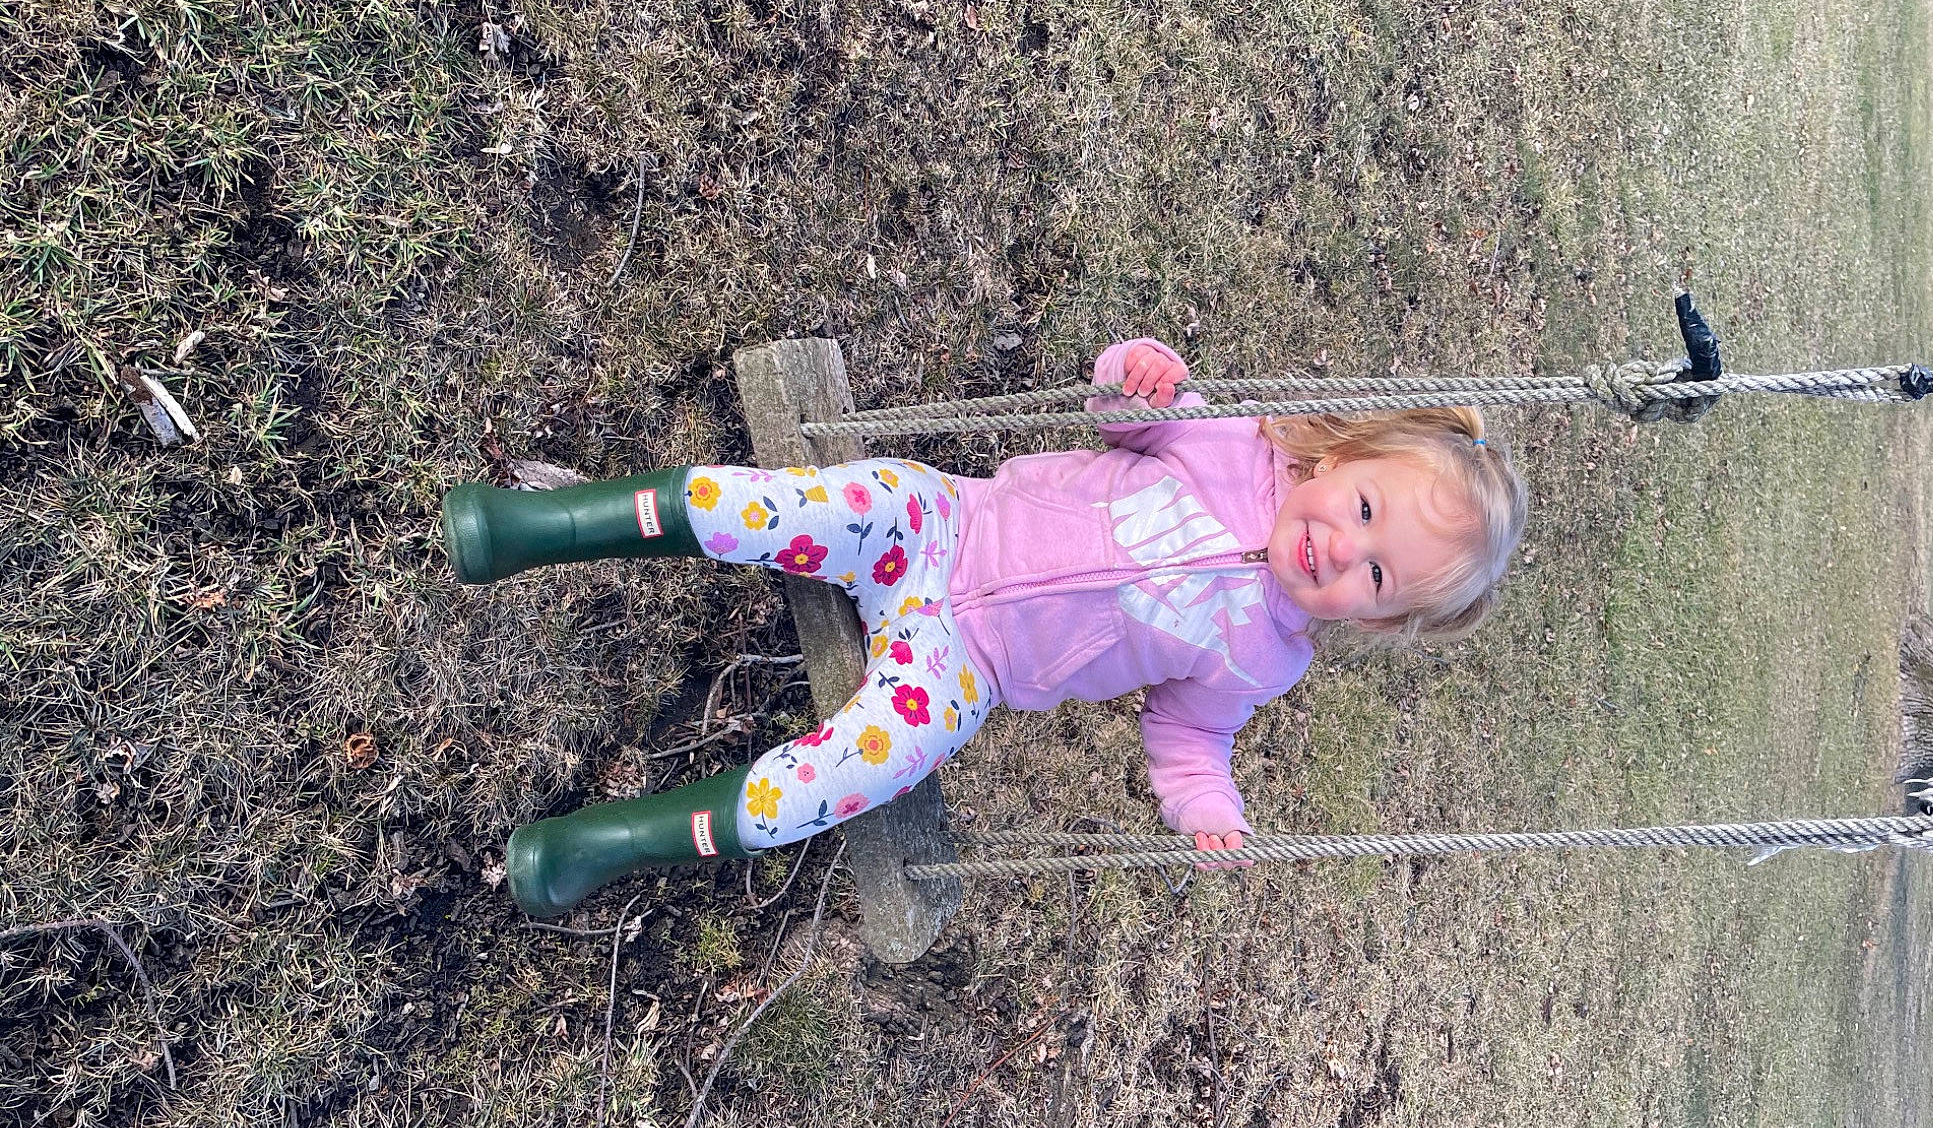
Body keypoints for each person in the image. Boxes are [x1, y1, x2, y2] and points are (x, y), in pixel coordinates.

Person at [441, 339, 1528, 916]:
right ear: (1341, 459)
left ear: (1377, 617)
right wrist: (1136, 376)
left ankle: (598, 844)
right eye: (1364, 510)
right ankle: (535, 526)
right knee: (775, 506)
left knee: (836, 786)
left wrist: (1207, 807)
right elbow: (1120, 415)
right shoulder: (1227, 442)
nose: (1342, 549)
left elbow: (1191, 735)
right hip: (938, 526)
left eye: (1376, 576)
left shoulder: (1263, 659)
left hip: (964, 669)